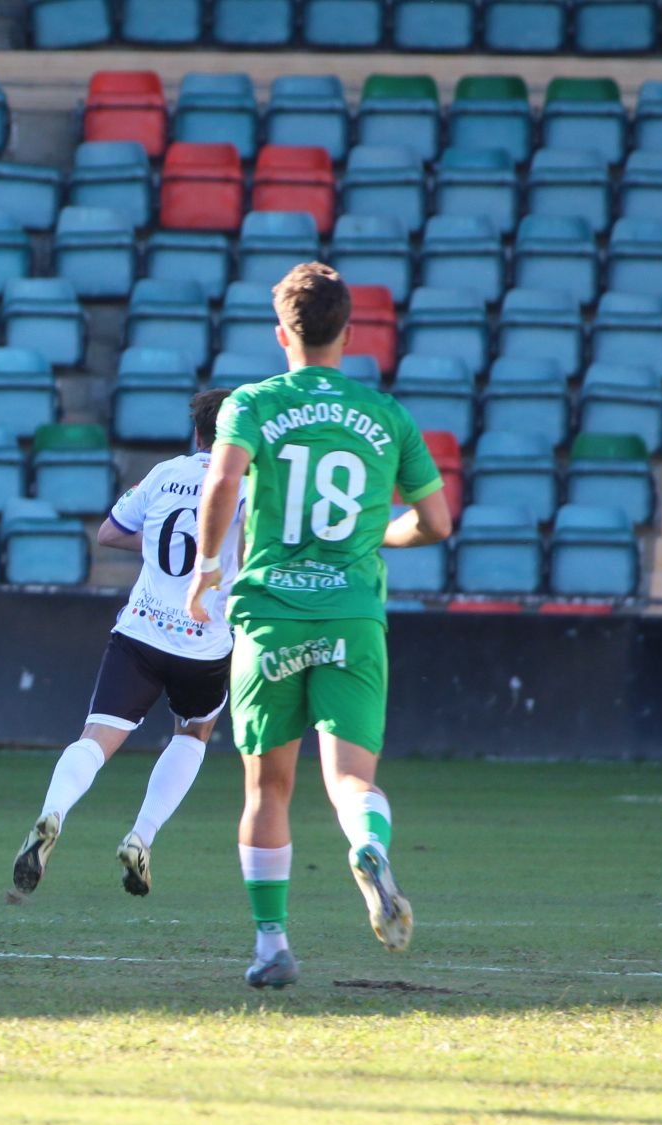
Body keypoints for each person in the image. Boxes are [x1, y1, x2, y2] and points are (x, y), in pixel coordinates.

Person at [185, 262, 454, 989]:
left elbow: (221, 482)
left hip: (270, 615)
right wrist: (380, 538)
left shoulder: (252, 404)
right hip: (352, 616)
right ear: (349, 333)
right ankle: (367, 844)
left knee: (268, 789)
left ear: (283, 334)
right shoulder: (387, 414)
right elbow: (436, 522)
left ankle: (272, 944)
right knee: (349, 779)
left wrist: (209, 568)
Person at [10, 389, 244, 902]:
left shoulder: (164, 474)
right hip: (202, 641)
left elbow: (109, 533)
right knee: (194, 733)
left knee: (96, 738)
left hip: (140, 631)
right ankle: (142, 835)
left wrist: (160, 531)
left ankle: (53, 813)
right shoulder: (247, 489)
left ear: (197, 434)